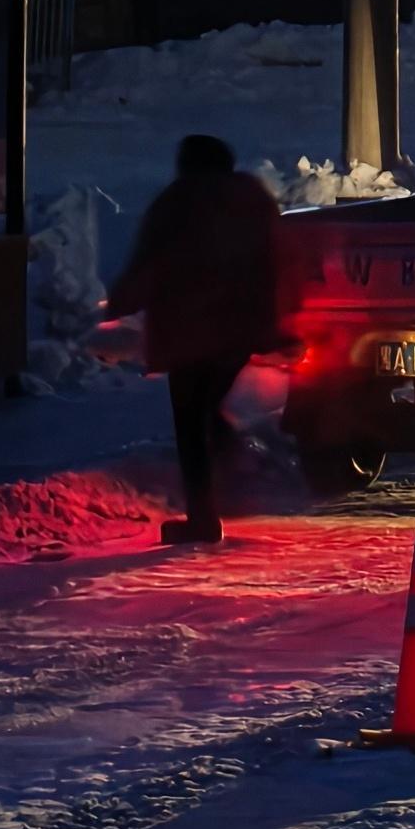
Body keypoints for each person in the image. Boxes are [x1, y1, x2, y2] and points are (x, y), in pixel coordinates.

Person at [104, 133, 284, 548]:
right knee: (209, 407)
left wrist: (119, 302)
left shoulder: (177, 202)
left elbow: (152, 260)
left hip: (189, 332)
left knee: (191, 423)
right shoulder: (250, 198)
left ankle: (204, 516)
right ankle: (230, 456)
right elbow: (276, 256)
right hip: (240, 329)